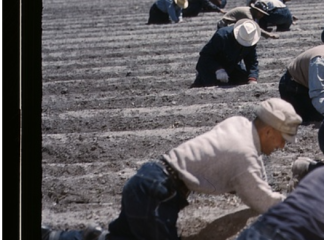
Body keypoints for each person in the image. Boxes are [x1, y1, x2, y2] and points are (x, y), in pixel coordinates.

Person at [105, 98, 302, 240]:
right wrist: (294, 206)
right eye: (282, 139)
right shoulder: (243, 155)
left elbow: (252, 164)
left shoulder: (239, 123)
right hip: (157, 193)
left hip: (149, 180)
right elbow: (260, 199)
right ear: (268, 131)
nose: (282, 146)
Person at [191, 19, 260, 87]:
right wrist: (218, 69)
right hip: (212, 66)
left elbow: (252, 61)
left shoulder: (250, 41)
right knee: (212, 85)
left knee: (243, 80)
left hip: (231, 65)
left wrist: (252, 78)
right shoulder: (222, 36)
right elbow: (205, 56)